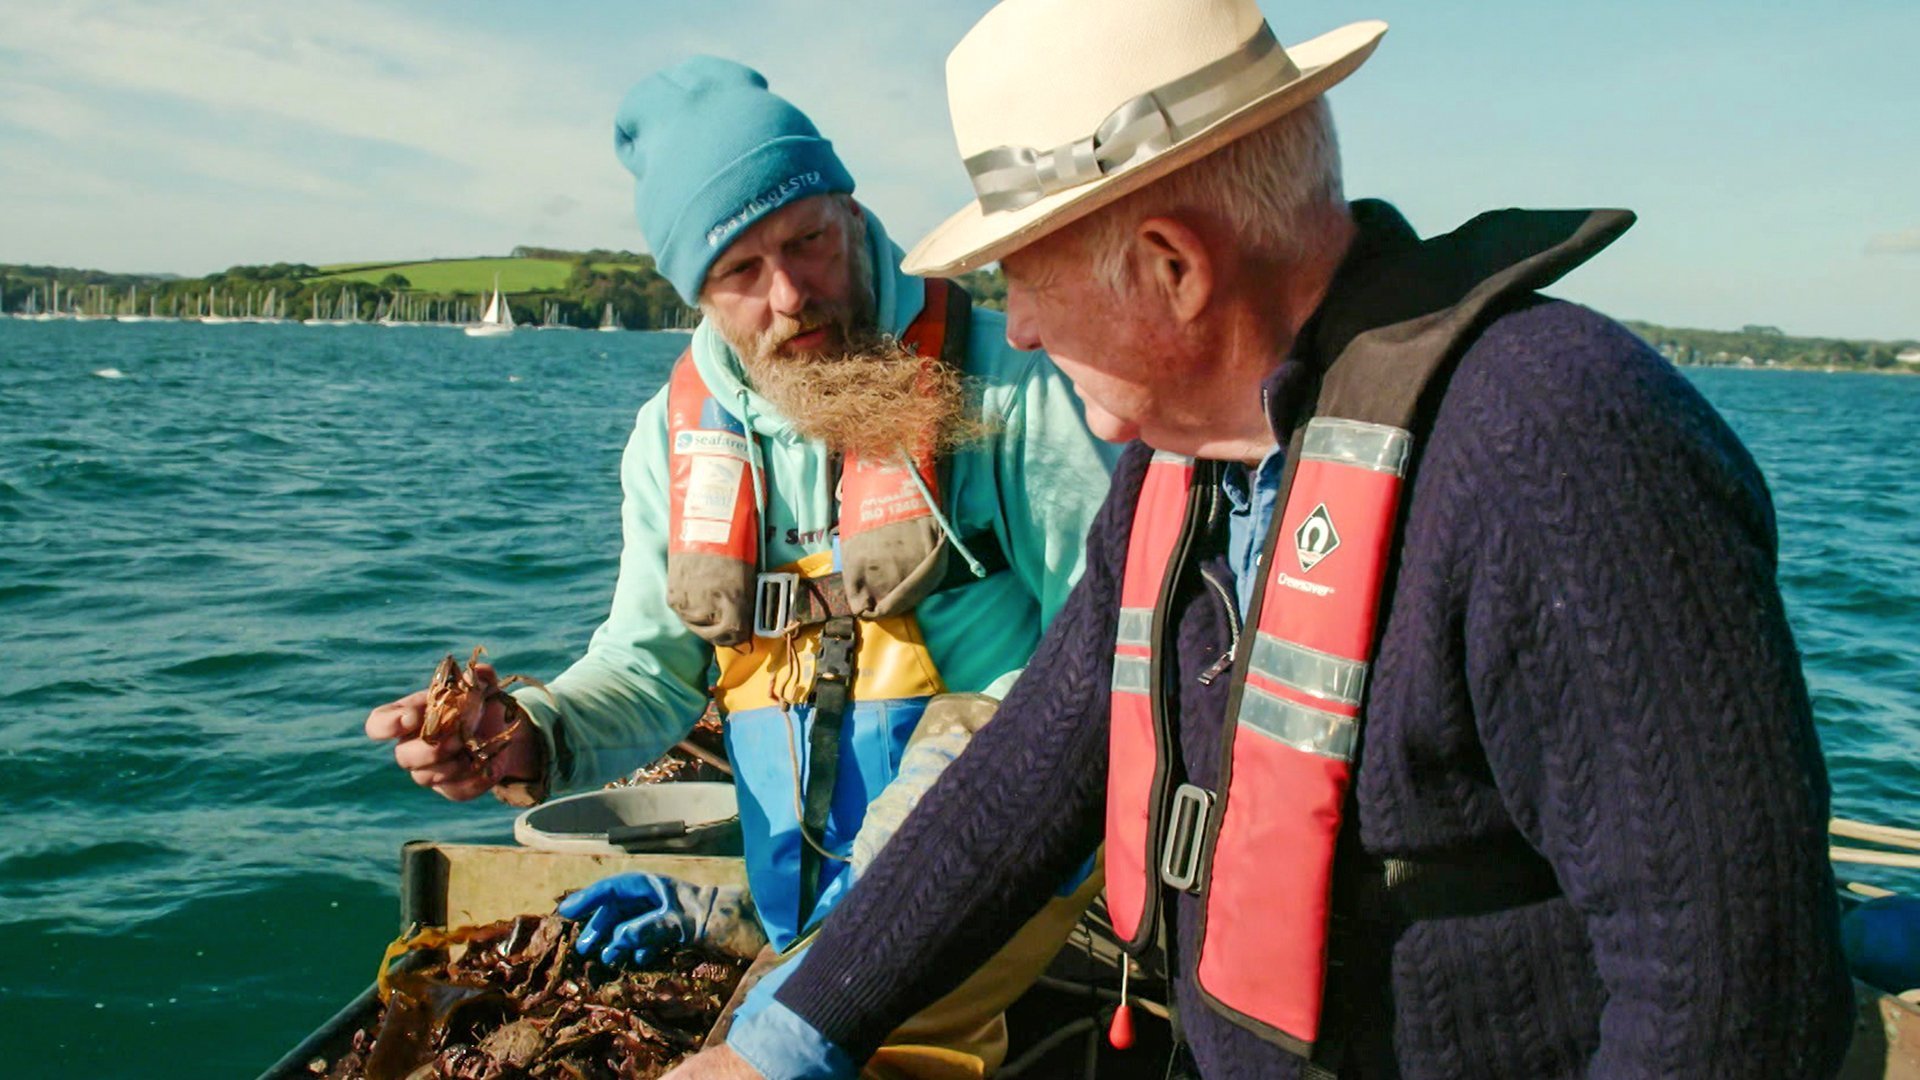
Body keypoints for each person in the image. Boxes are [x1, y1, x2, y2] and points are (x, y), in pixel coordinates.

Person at [666, 1, 1857, 1077]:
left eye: (1026, 274)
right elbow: (1034, 770)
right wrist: (787, 1040)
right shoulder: (1177, 470)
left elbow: (1732, 1000)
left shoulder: (1559, 445)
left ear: (1174, 268)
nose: (1015, 328)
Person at [363, 55, 1117, 1078]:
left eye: (809, 239)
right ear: (696, 293)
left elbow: (1115, 660)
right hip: (812, 915)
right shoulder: (669, 444)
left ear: (852, 213)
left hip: (1002, 865)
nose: (793, 294)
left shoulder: (1013, 389)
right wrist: (528, 733)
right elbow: (648, 669)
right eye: (740, 272)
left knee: (975, 735)